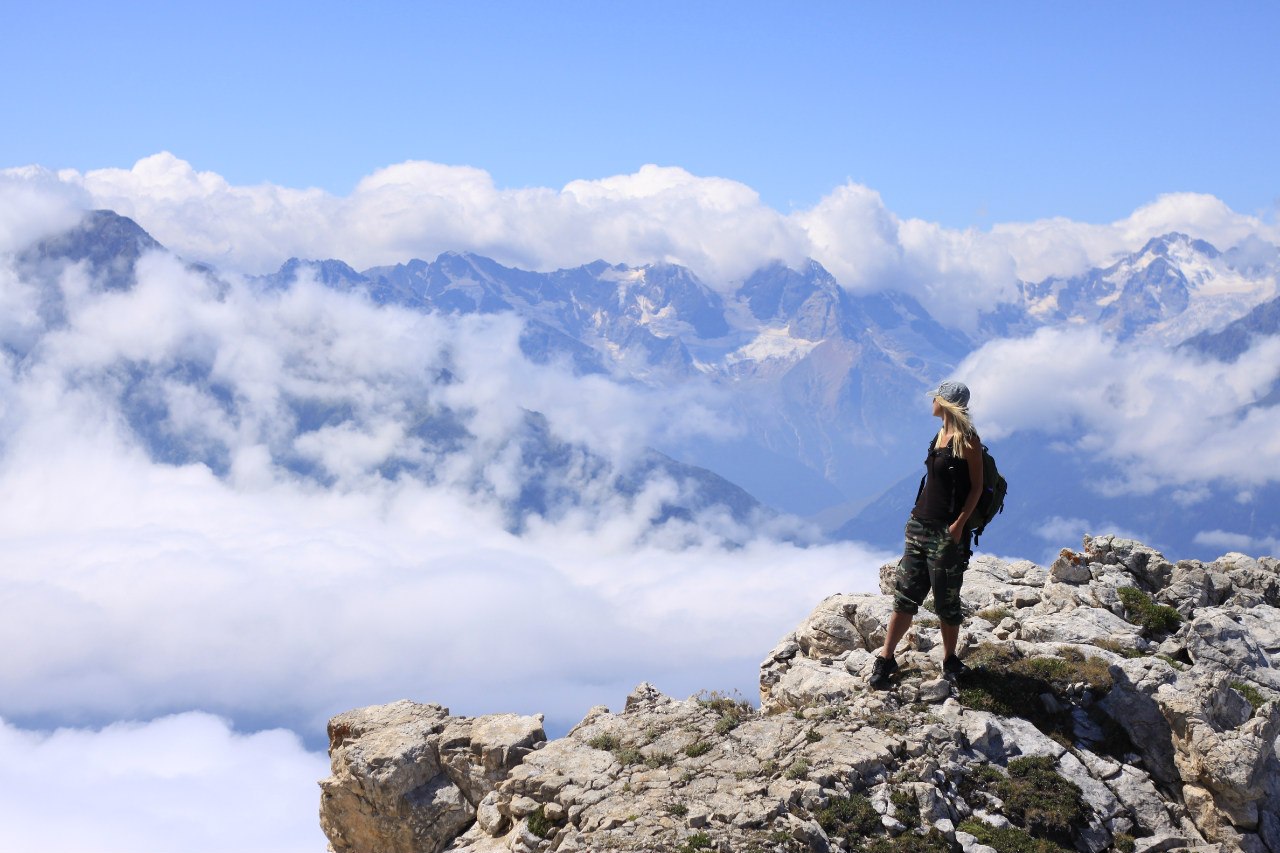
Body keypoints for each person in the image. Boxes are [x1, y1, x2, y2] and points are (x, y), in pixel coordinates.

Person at [869, 380, 983, 689]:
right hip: (918, 526)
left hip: (945, 532)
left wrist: (959, 525)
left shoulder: (968, 440)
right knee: (905, 595)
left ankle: (950, 660)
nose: (932, 401)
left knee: (946, 600)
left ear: (946, 404)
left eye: (936, 397)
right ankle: (886, 658)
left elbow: (977, 487)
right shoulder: (939, 435)